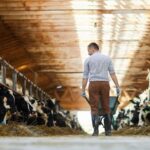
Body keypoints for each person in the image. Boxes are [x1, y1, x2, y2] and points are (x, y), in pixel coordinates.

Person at [81, 42, 120, 136]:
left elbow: (85, 77)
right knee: (106, 105)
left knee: (94, 106)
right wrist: (117, 86)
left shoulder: (88, 60)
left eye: (88, 50)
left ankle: (95, 131)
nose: (88, 52)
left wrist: (83, 90)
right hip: (105, 84)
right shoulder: (107, 58)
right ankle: (108, 131)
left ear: (93, 49)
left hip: (93, 84)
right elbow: (112, 73)